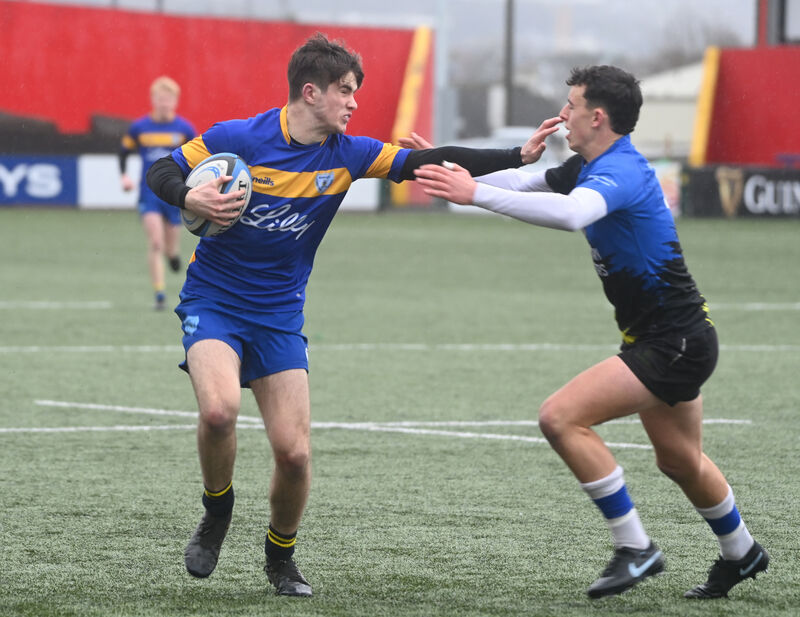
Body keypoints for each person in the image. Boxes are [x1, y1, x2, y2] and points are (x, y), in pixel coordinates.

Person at [145, 33, 558, 597]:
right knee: (219, 413)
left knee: (293, 454)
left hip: (280, 316)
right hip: (214, 300)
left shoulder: (349, 154)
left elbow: (426, 161)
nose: (354, 103)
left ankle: (280, 557)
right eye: (345, 91)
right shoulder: (240, 138)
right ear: (309, 92)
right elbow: (163, 169)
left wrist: (517, 156)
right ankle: (217, 511)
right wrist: (189, 198)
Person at [413, 65, 769, 600]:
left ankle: (635, 547)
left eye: (571, 106)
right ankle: (742, 552)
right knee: (678, 460)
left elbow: (574, 214)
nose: (563, 116)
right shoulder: (589, 164)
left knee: (560, 418)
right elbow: (520, 183)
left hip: (674, 342)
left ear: (596, 116)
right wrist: (448, 172)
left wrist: (473, 195)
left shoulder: (621, 171)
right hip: (672, 338)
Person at [120, 76, 196, 310]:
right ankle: (160, 294)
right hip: (148, 193)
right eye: (160, 99)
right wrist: (124, 175)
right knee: (155, 242)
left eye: (168, 99)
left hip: (174, 194)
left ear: (175, 101)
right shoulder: (139, 128)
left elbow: (198, 158)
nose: (164, 103)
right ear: (153, 100)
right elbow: (122, 151)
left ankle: (173, 256)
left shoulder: (184, 130)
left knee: (170, 247)